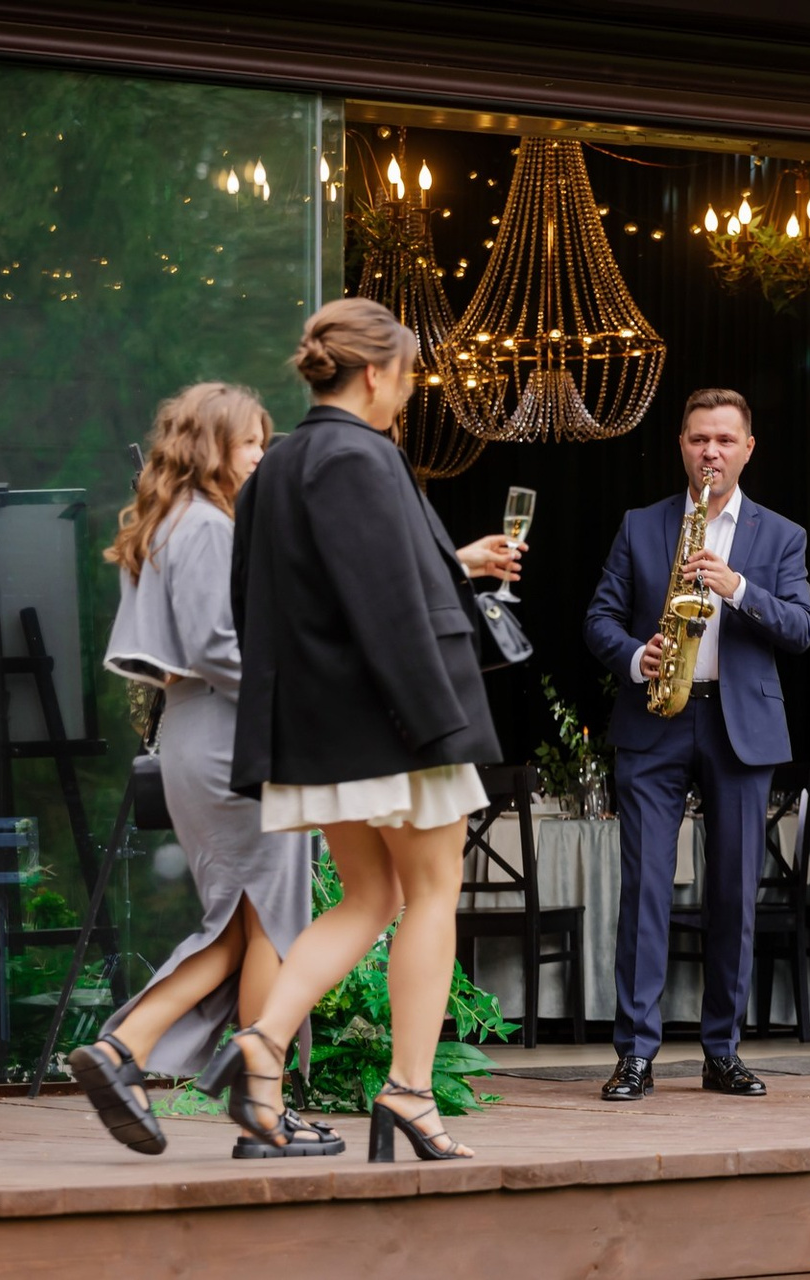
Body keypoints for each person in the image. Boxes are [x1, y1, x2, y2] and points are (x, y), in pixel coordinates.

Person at [201, 297, 518, 1163]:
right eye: (408, 376)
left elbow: (256, 606)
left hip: (329, 729)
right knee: (432, 894)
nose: (409, 393)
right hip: (394, 723)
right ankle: (408, 1091)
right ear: (375, 373)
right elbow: (387, 606)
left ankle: (262, 1043)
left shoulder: (278, 466)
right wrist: (438, 725)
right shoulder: (360, 456)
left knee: (370, 898)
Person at [74, 382, 336, 1158]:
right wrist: (312, 694)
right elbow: (219, 647)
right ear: (210, 445)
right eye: (250, 441)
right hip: (233, 736)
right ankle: (252, 1100)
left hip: (205, 731)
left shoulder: (172, 523)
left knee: (247, 925)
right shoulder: (206, 527)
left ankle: (140, 1056)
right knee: (271, 926)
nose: (262, 453)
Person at [585, 388, 810, 1103]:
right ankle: (635, 1054)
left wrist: (738, 587)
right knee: (645, 890)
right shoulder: (641, 525)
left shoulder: (782, 536)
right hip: (656, 716)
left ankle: (723, 1052)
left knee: (733, 895)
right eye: (697, 439)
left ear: (748, 449)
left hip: (738, 726)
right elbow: (599, 618)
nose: (710, 452)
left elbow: (802, 628)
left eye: (723, 440)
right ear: (681, 446)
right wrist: (636, 657)